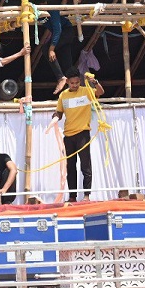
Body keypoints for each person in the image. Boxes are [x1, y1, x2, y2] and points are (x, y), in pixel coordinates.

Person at [53, 72, 104, 202]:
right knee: (70, 167)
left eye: (77, 82)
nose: (75, 85)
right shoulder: (63, 95)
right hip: (68, 135)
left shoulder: (86, 91)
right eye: (72, 83)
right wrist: (55, 117)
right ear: (67, 82)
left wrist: (95, 82)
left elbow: (101, 92)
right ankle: (72, 196)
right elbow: (59, 112)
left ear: (80, 81)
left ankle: (86, 195)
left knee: (85, 166)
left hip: (82, 133)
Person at [33, 0, 77, 96]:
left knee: (46, 49)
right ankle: (70, 87)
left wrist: (51, 48)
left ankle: (61, 78)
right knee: (67, 63)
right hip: (62, 36)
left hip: (66, 32)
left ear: (46, 3)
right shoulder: (37, 13)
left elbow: (58, 29)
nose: (42, 8)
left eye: (42, 5)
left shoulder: (52, 10)